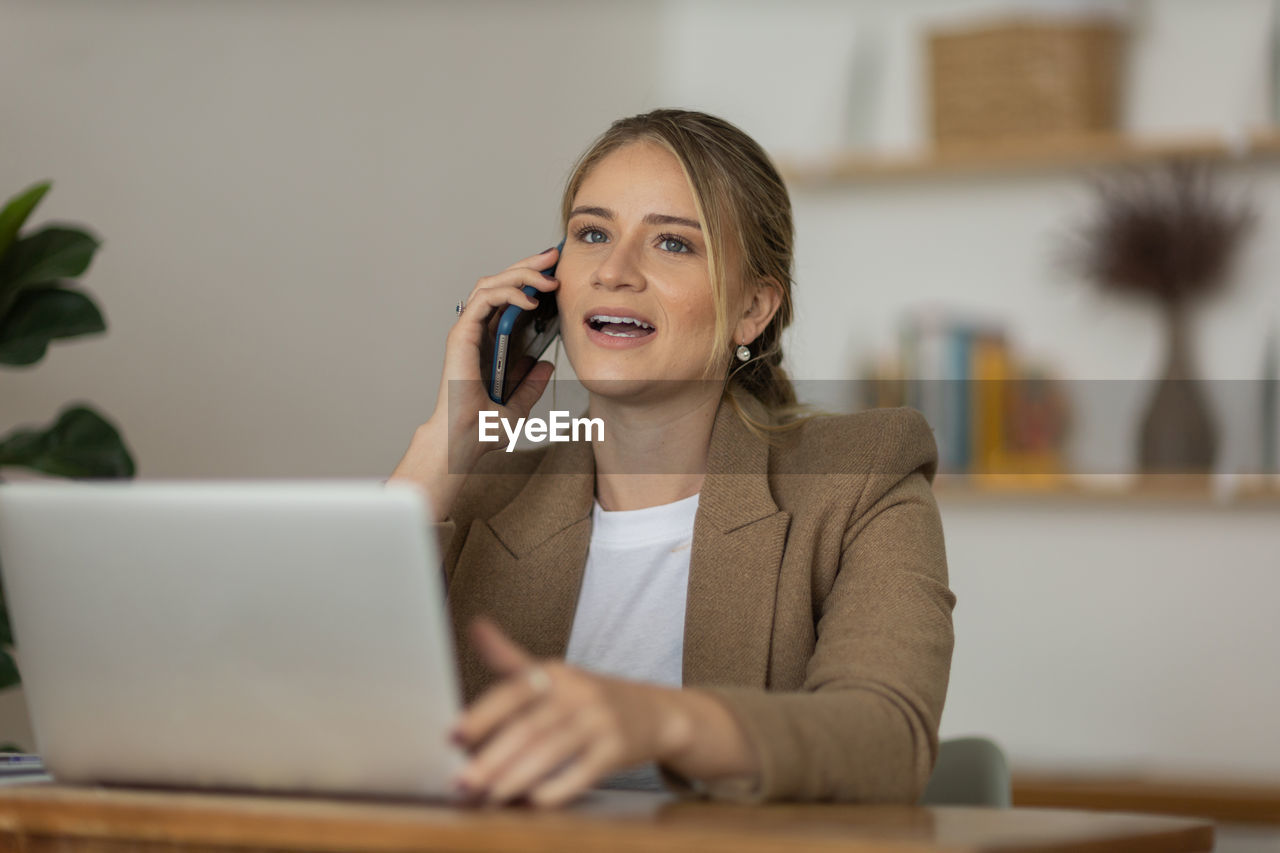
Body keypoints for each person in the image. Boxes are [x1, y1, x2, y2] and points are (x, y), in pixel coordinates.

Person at [389, 109, 955, 807]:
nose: (615, 271)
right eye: (592, 234)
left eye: (673, 244)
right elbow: (299, 698)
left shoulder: (861, 478)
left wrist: (659, 720)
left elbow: (886, 740)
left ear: (752, 309)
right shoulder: (477, 492)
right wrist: (446, 441)